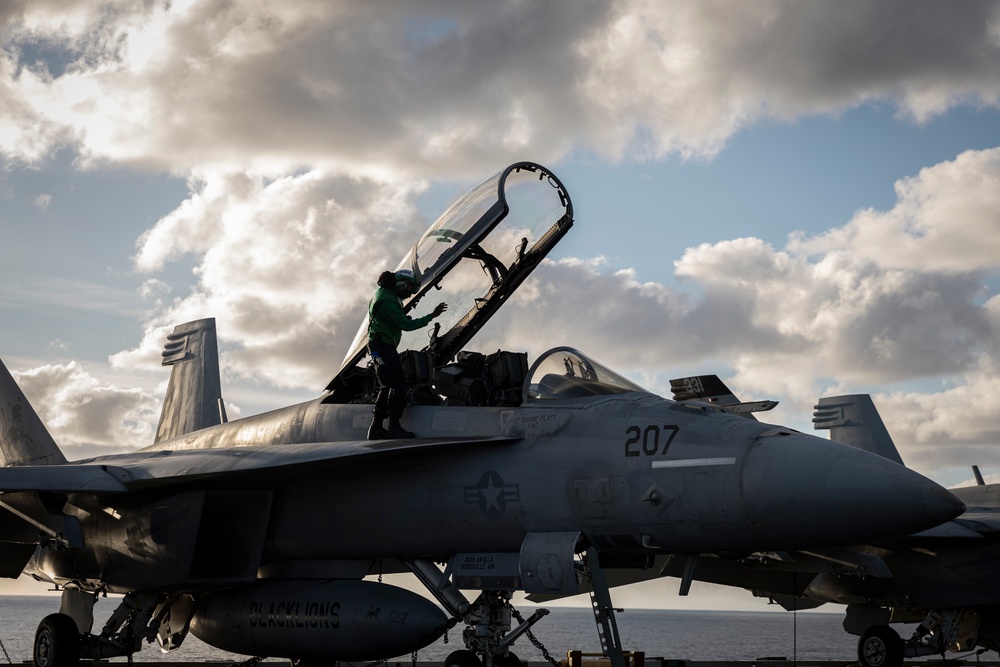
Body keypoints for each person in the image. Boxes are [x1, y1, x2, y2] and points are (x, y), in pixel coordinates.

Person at [367, 269, 447, 439]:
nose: (410, 294)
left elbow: (393, 320)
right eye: (409, 289)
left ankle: (376, 428)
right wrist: (431, 316)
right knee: (399, 384)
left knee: (387, 383)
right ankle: (393, 426)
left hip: (381, 344)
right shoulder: (387, 301)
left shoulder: (385, 294)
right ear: (401, 285)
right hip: (382, 346)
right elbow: (406, 326)